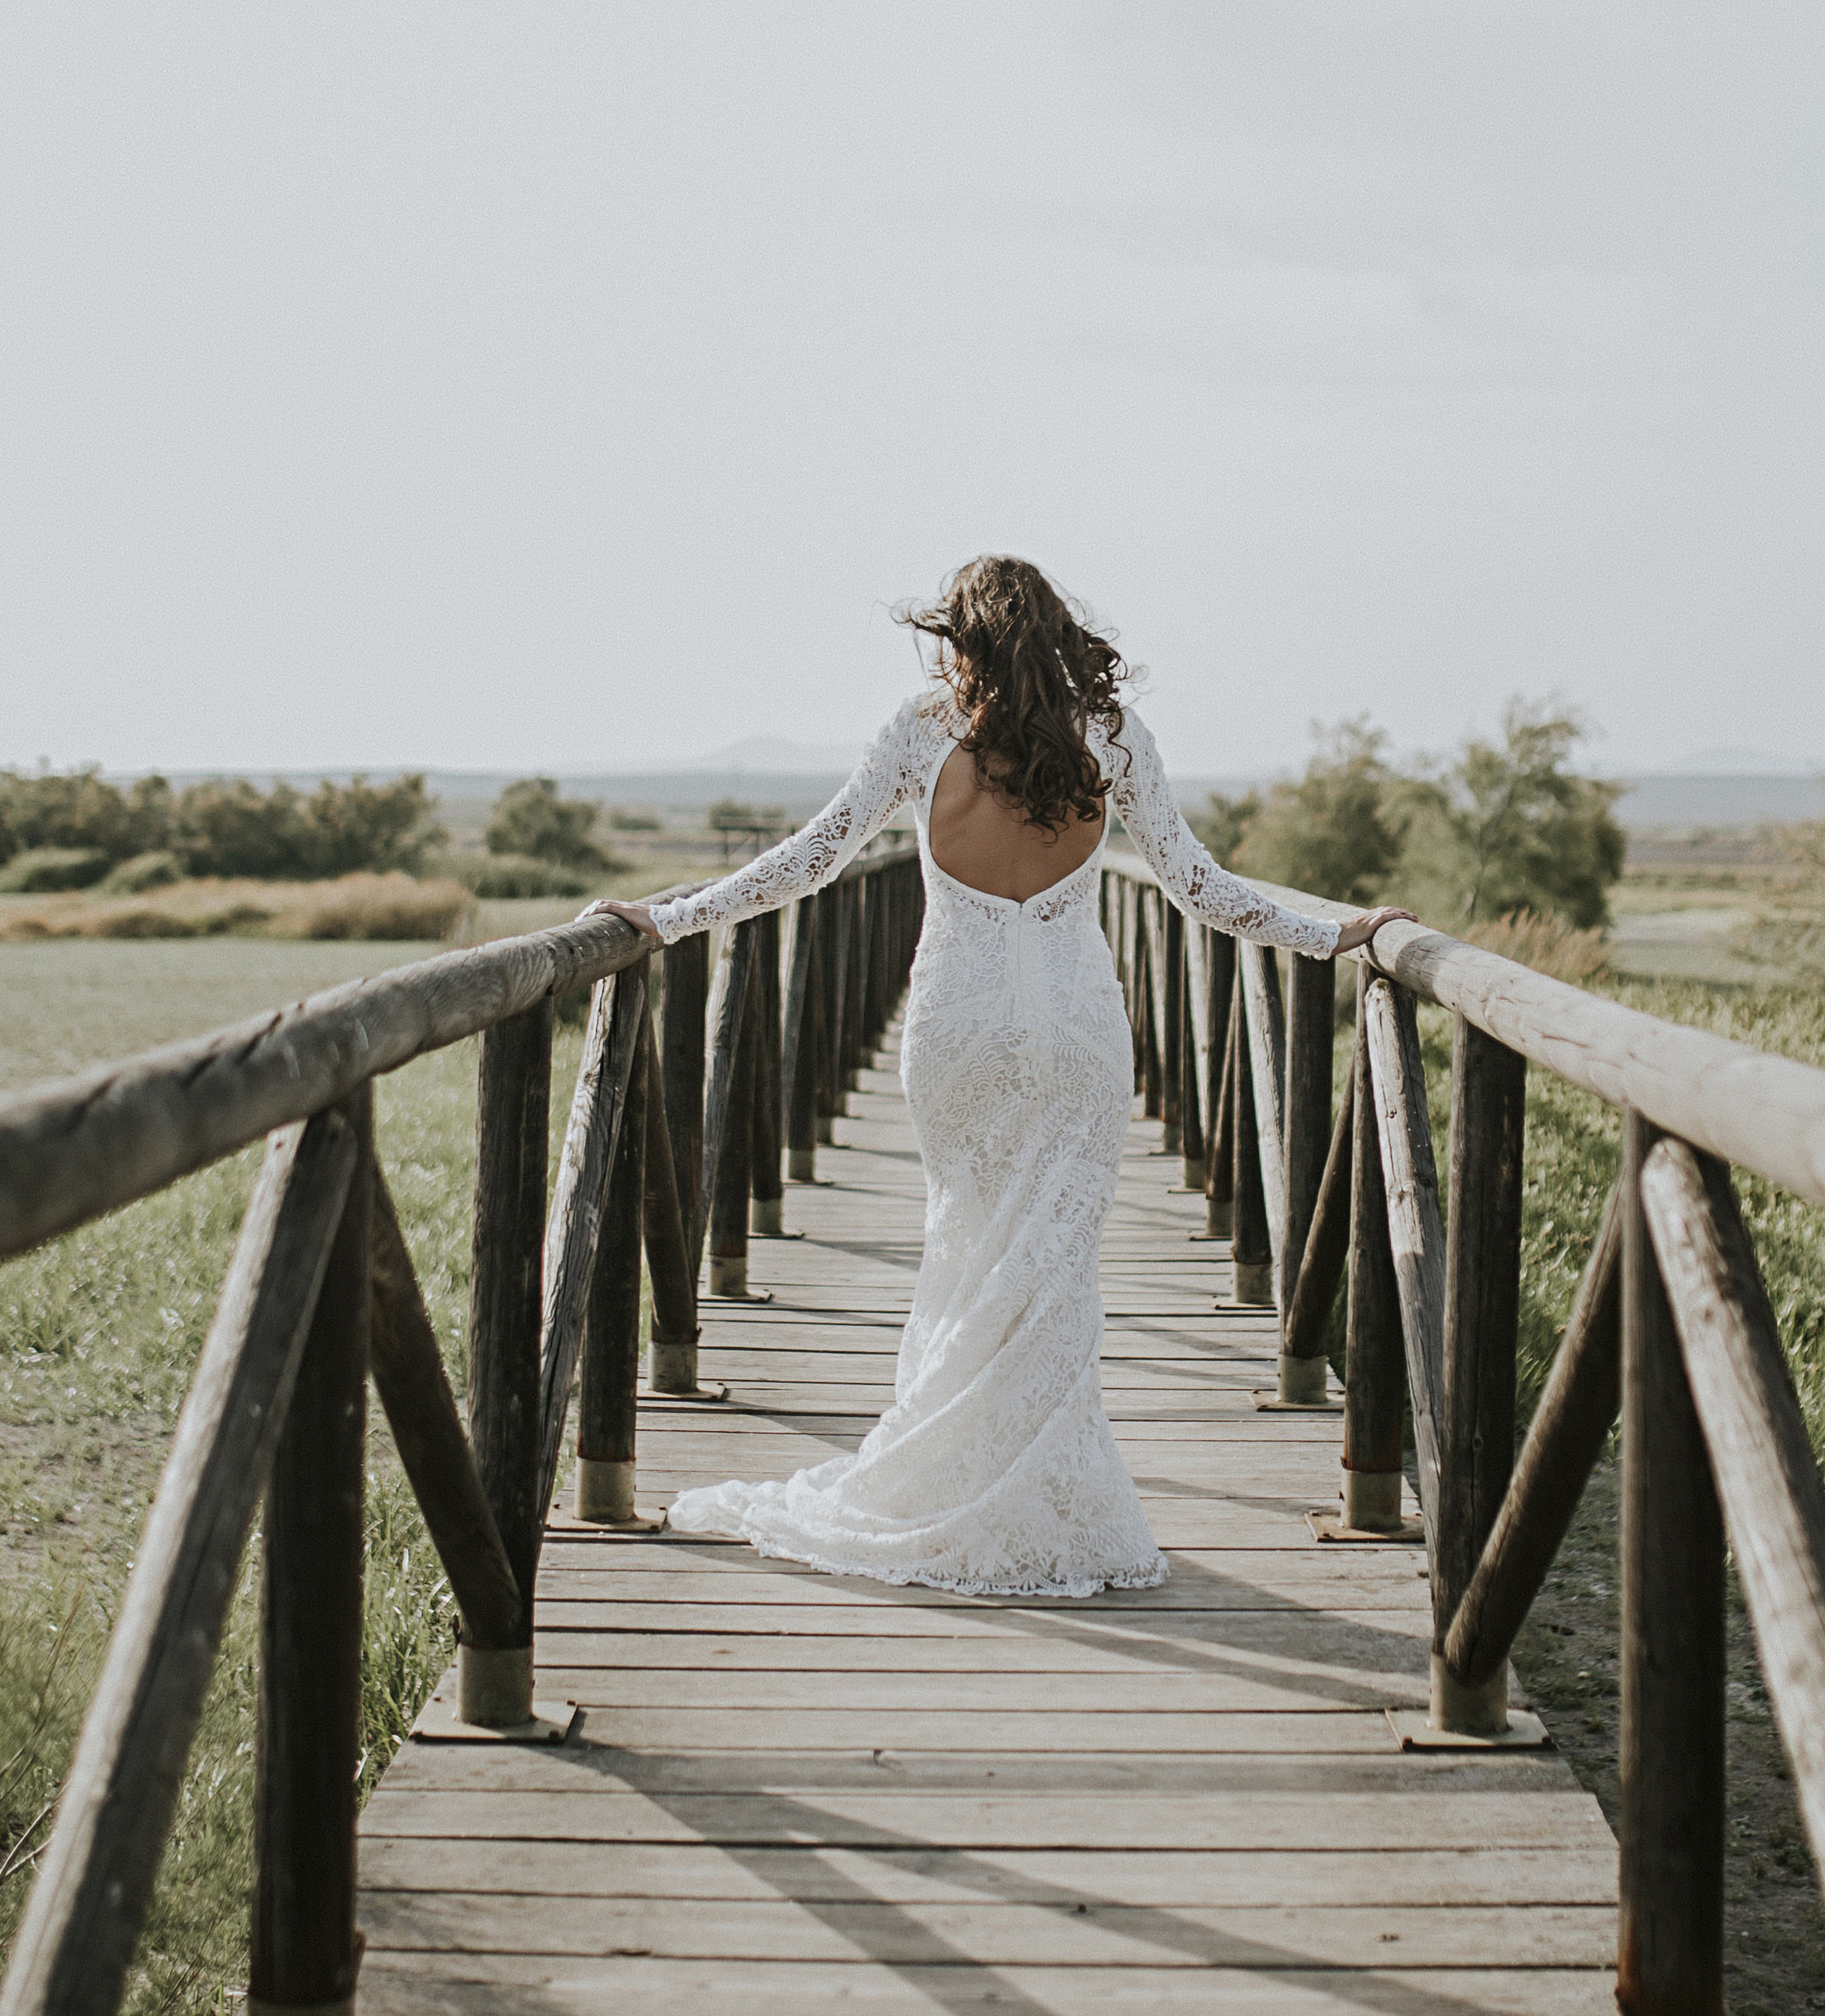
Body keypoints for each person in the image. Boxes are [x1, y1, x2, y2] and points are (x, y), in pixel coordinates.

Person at [580, 554, 1416, 1599]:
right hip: (1076, 1039)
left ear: (961, 644)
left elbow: (813, 857)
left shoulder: (924, 733)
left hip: (959, 1032)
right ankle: (1045, 1504)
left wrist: (670, 915)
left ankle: (950, 1487)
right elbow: (1205, 893)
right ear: (1060, 637)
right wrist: (1340, 931)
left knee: (968, 1254)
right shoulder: (1109, 740)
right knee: (1055, 1276)